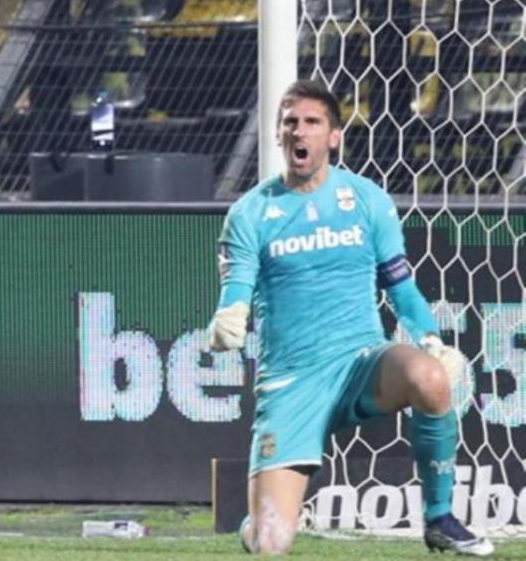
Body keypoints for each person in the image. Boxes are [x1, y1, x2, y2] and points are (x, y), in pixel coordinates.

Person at [209, 80, 493, 556]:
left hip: (360, 363)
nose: (299, 131)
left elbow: (400, 287)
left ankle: (440, 517)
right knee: (269, 543)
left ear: (334, 136)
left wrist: (430, 339)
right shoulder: (250, 213)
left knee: (430, 377)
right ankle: (254, 524)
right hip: (291, 383)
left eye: (312, 122)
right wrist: (228, 317)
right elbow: (236, 288)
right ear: (278, 134)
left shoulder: (366, 199)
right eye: (290, 122)